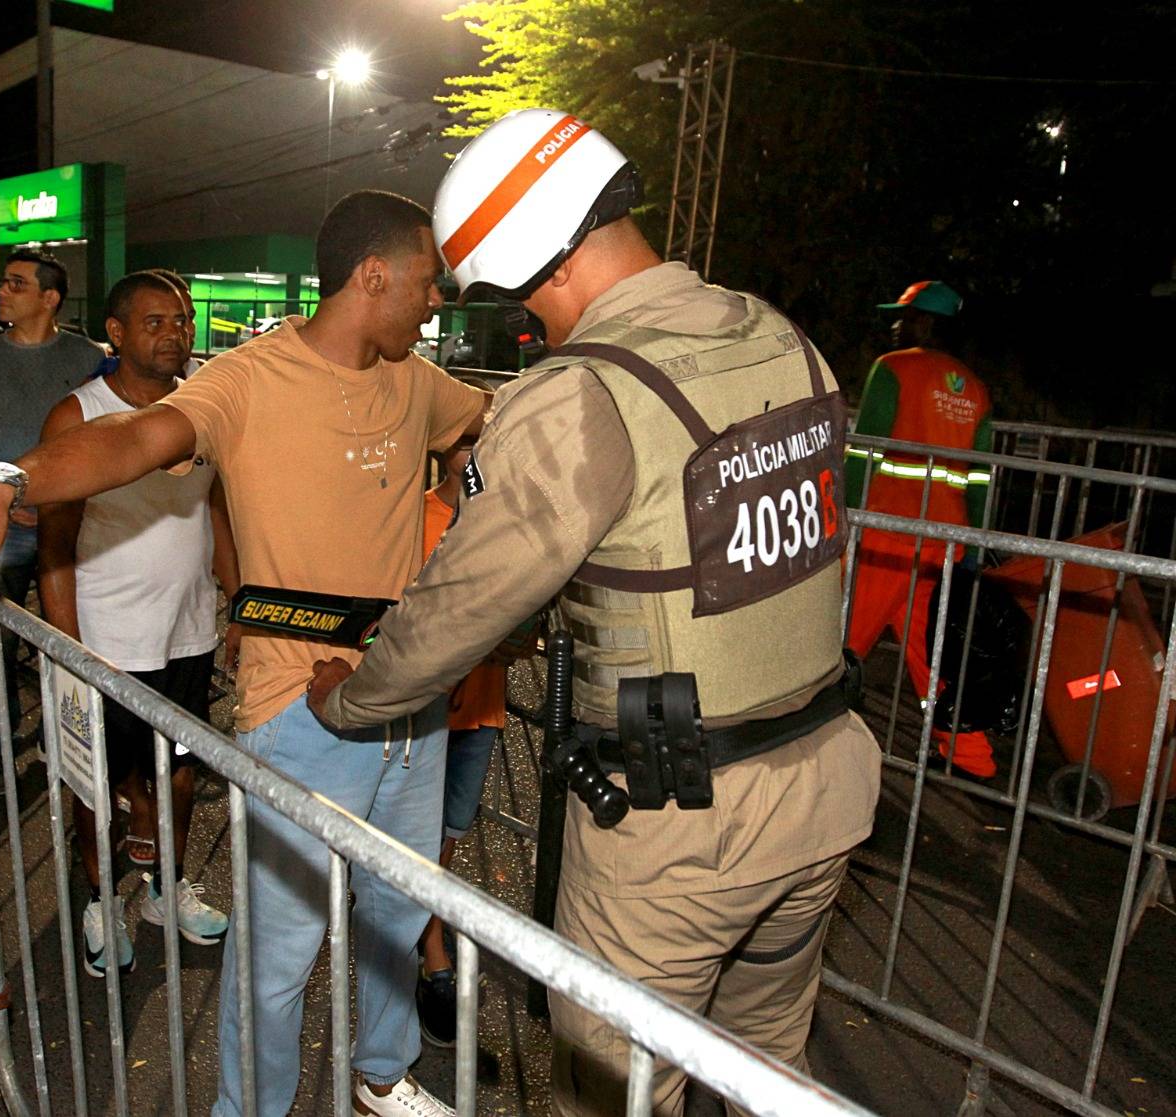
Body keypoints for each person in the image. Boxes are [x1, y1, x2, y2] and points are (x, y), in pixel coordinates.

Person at [304, 110, 882, 1116]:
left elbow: (457, 608)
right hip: (824, 790)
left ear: (540, 263)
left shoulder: (583, 393)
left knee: (612, 1095)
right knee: (767, 1079)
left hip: (678, 830)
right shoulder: (782, 338)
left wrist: (351, 701)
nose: (531, 323)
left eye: (518, 298)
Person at [0, 189, 489, 1117]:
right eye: (427, 280)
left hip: (409, 698)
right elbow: (129, 440)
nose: (436, 300)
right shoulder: (248, 380)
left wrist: (471, 526)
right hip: (301, 710)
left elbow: (484, 424)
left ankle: (381, 1073)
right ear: (373, 275)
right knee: (279, 950)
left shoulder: (417, 379)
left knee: (393, 911)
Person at [37, 270, 236, 978]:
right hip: (105, 641)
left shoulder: (203, 407)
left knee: (179, 779)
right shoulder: (77, 414)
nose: (174, 333)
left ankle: (164, 889)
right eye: (154, 322)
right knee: (97, 788)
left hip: (188, 634)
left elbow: (216, 510)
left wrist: (235, 602)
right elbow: (53, 540)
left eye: (181, 320)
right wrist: (69, 648)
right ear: (115, 334)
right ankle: (99, 898)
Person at [411, 382, 533, 1050]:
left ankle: (421, 930)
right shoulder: (413, 515)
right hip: (423, 716)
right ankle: (433, 959)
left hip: (480, 711)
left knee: (445, 840)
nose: (475, 449)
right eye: (464, 436)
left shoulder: (507, 522)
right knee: (421, 843)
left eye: (485, 436)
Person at [0, 249, 103, 781]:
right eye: (3, 283)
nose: (3, 292)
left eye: (15, 284)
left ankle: (65, 739)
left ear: (49, 298)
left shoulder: (88, 358)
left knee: (76, 635)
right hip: (6, 526)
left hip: (76, 524)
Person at [846, 281, 996, 778]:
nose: (895, 324)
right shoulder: (974, 387)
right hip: (944, 539)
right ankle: (969, 754)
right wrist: (976, 539)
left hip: (885, 532)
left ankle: (805, 737)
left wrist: (840, 514)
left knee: (839, 636)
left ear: (926, 323)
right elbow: (979, 475)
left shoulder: (894, 370)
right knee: (931, 647)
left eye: (904, 316)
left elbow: (864, 450)